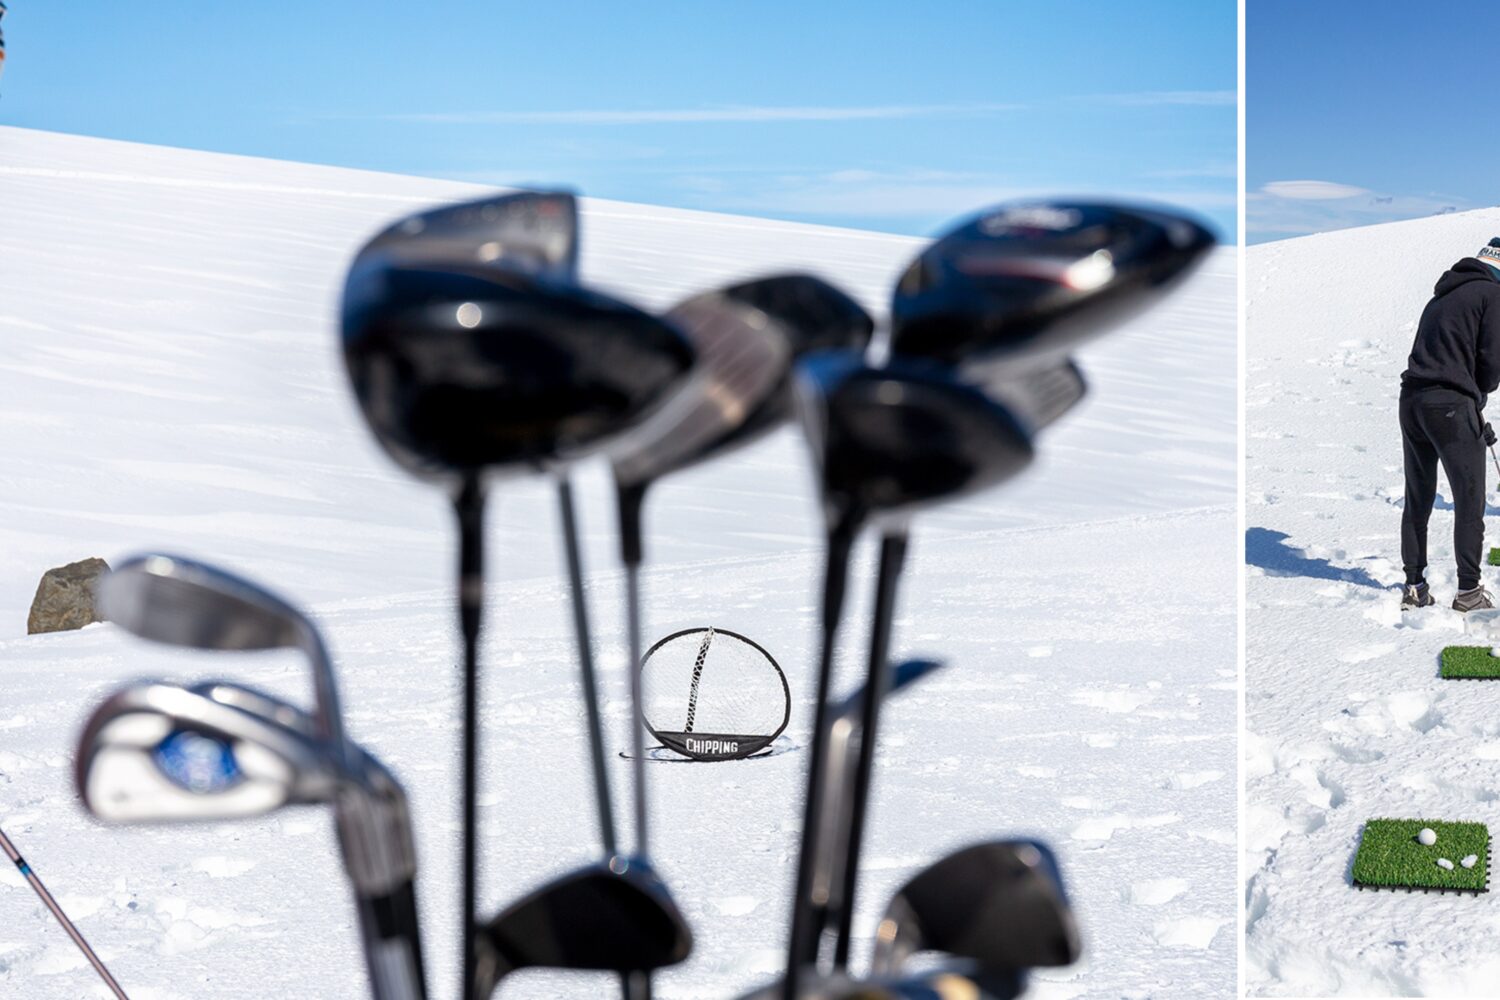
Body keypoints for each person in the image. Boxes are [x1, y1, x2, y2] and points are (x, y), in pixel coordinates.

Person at [1399, 238, 1500, 611]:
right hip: (1450, 406)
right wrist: (1476, 397)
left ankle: (1414, 588)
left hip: (1411, 401)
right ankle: (1470, 593)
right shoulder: (1491, 293)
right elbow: (1490, 360)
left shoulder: (1442, 295)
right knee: (1470, 500)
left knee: (1418, 498)